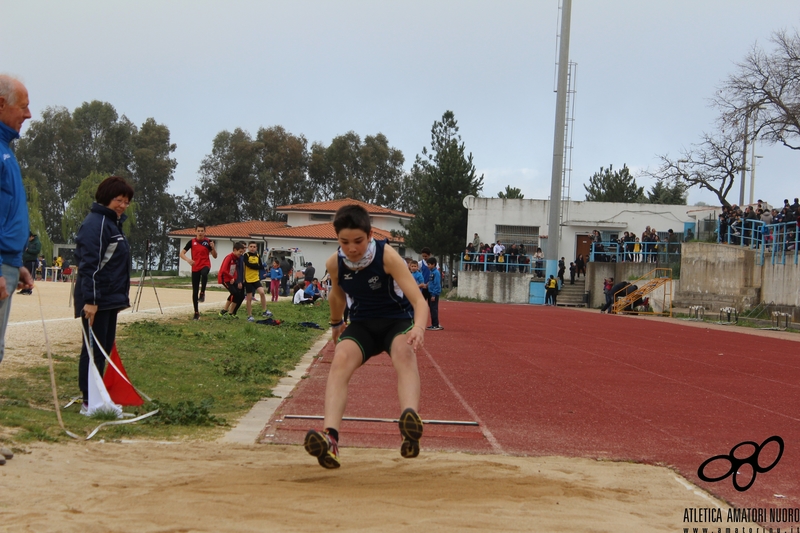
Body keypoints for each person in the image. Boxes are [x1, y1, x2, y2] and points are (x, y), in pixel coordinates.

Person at [303, 204, 428, 469]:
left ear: (370, 234)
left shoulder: (387, 256)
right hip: (362, 325)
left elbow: (419, 300)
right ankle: (331, 439)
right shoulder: (335, 263)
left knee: (404, 353)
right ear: (337, 238)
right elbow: (336, 294)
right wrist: (336, 322)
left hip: (396, 322)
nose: (352, 248)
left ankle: (410, 426)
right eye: (344, 242)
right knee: (340, 360)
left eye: (358, 241)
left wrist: (418, 328)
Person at [73, 176, 134, 414]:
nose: (122, 205)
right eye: (118, 200)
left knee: (104, 348)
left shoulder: (112, 223)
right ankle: (90, 400)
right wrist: (91, 301)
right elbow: (89, 265)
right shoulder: (96, 224)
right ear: (106, 198)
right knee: (93, 349)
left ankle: (99, 396)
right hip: (96, 300)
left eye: (126, 201)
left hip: (110, 299)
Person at [0, 74, 34, 371]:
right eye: (23, 107)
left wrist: (15, 262)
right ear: (1, 104)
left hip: (7, 264)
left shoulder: (6, 151)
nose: (28, 114)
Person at [180, 224, 217, 320]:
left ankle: (203, 292)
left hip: (205, 264)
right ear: (195, 231)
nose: (200, 233)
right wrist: (188, 260)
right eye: (199, 231)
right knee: (194, 291)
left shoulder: (208, 242)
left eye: (202, 231)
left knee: (204, 274)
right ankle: (196, 312)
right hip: (195, 267)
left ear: (205, 232)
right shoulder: (191, 242)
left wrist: (213, 248)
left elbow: (215, 256)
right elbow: (181, 253)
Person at [217, 241, 245, 318]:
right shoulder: (229, 257)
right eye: (240, 252)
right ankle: (225, 311)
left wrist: (235, 279)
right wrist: (231, 277)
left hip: (230, 278)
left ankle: (230, 312)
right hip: (224, 278)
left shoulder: (236, 258)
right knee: (235, 293)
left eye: (242, 252)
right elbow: (224, 270)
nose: (241, 254)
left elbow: (235, 270)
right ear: (235, 250)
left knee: (238, 294)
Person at [242, 242, 269, 322]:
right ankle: (249, 315)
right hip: (248, 279)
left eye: (254, 247)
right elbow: (248, 265)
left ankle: (264, 311)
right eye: (251, 246)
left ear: (256, 248)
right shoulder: (246, 255)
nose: (252, 248)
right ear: (248, 247)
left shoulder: (257, 255)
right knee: (249, 298)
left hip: (256, 278)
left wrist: (255, 266)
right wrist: (256, 266)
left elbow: (261, 266)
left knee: (262, 293)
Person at [425, 257, 443, 330]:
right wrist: (427, 285)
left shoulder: (436, 273)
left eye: (429, 264)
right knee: (432, 309)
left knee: (433, 309)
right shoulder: (432, 272)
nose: (428, 266)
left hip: (434, 294)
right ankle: (434, 323)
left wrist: (434, 294)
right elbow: (432, 282)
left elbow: (437, 284)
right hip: (430, 292)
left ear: (433, 264)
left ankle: (435, 324)